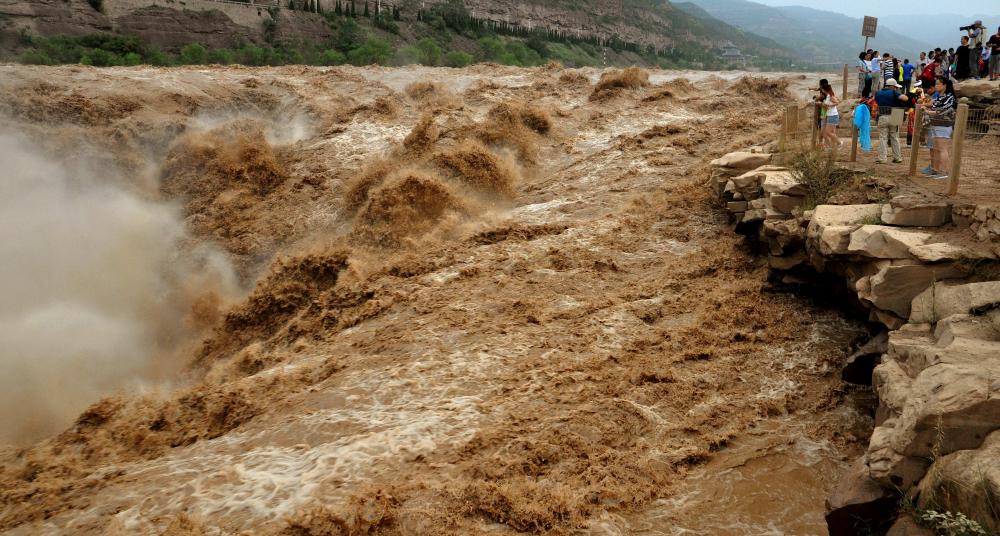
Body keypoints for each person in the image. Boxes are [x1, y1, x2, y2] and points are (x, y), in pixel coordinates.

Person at [921, 77, 956, 179]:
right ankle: (936, 170)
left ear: (944, 85)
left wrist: (927, 112)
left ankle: (943, 171)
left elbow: (942, 111)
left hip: (944, 125)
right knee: (937, 149)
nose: (936, 86)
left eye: (938, 84)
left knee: (942, 149)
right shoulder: (940, 96)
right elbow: (934, 106)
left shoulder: (949, 97)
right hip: (936, 124)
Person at [874, 78, 909, 163]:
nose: (896, 88)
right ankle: (897, 157)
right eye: (895, 87)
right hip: (895, 114)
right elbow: (905, 98)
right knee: (895, 137)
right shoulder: (893, 92)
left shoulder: (878, 93)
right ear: (892, 86)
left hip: (882, 116)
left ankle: (882, 158)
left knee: (883, 138)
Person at [816, 79, 841, 149]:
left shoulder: (830, 96)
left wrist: (828, 105)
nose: (821, 91)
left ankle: (839, 143)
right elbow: (826, 105)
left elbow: (837, 102)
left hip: (833, 115)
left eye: (822, 90)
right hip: (829, 115)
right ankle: (832, 147)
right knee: (828, 132)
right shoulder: (828, 96)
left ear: (824, 90)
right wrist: (822, 104)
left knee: (828, 132)